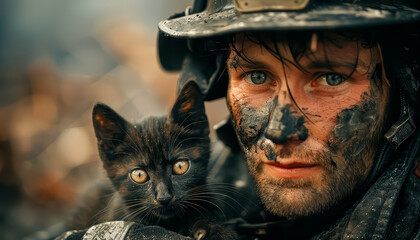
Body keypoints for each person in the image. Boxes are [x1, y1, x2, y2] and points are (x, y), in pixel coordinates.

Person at [54, 0, 420, 239]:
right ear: (217, 83)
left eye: (330, 77)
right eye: (257, 77)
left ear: (404, 85)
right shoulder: (218, 174)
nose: (280, 131)